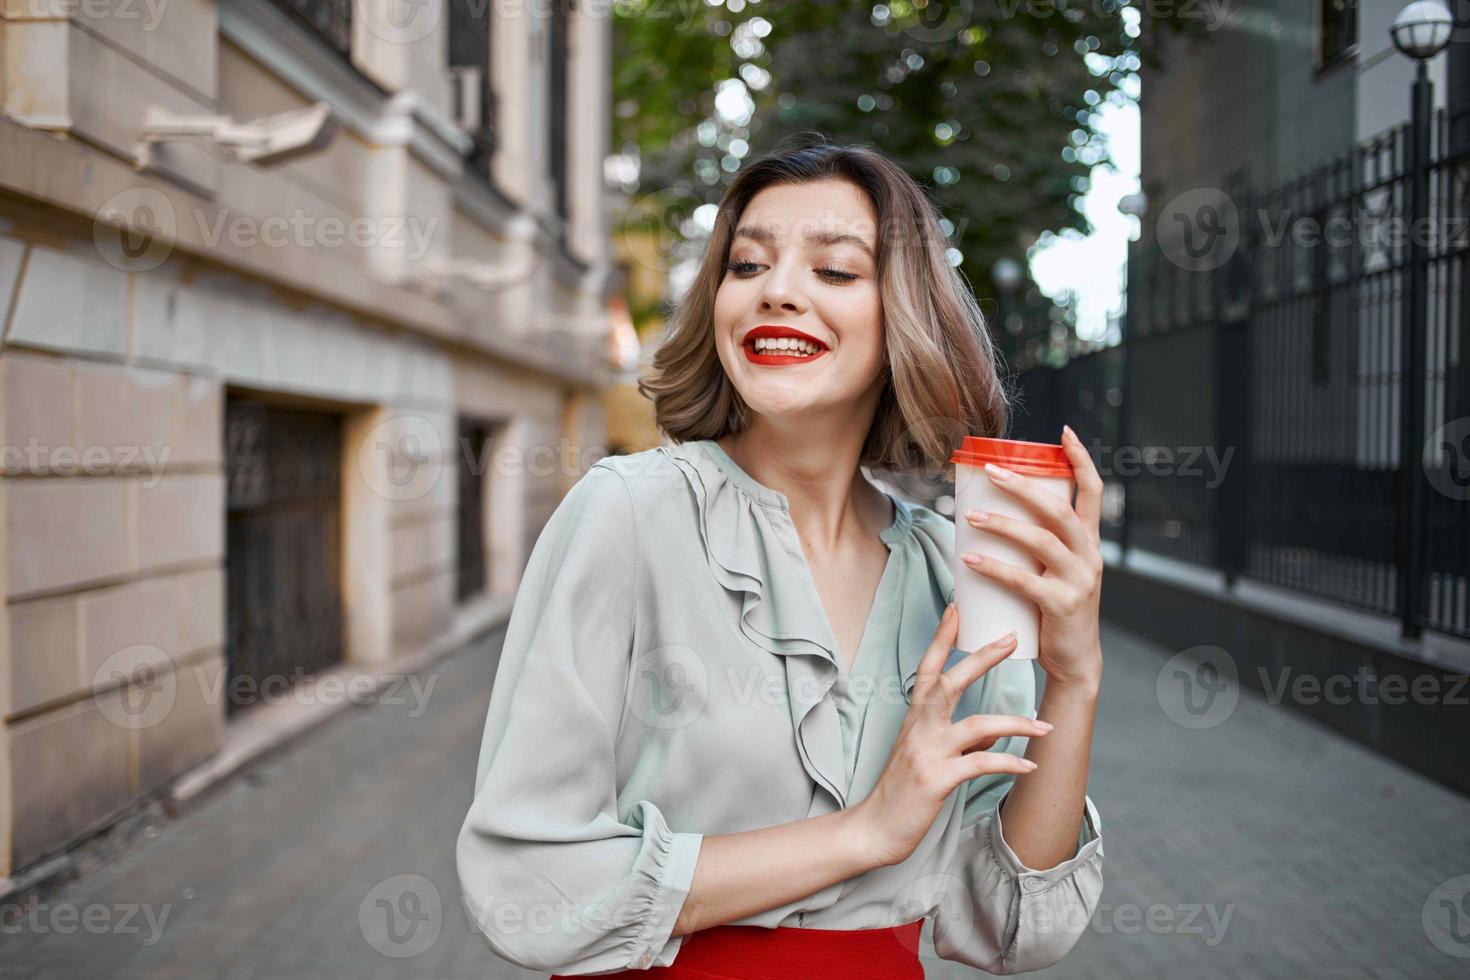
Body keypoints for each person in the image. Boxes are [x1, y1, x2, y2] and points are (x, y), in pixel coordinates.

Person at [457, 137, 1106, 978]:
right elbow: (529, 886)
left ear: (904, 312)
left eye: (834, 272)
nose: (777, 292)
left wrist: (1076, 676)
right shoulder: (628, 513)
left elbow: (1011, 925)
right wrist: (865, 831)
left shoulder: (954, 569)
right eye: (746, 265)